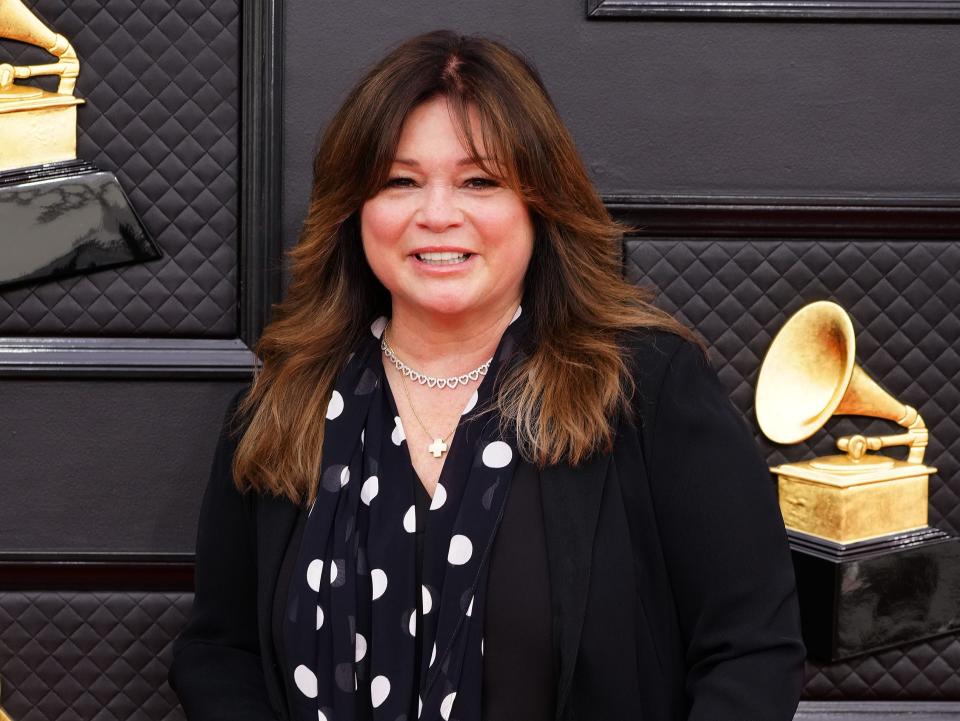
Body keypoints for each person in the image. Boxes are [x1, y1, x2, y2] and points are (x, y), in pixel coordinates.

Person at [170, 30, 805, 721]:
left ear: (540, 204)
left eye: (480, 181)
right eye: (399, 181)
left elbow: (752, 650)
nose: (438, 215)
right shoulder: (282, 402)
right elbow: (220, 652)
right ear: (355, 210)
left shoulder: (648, 390)